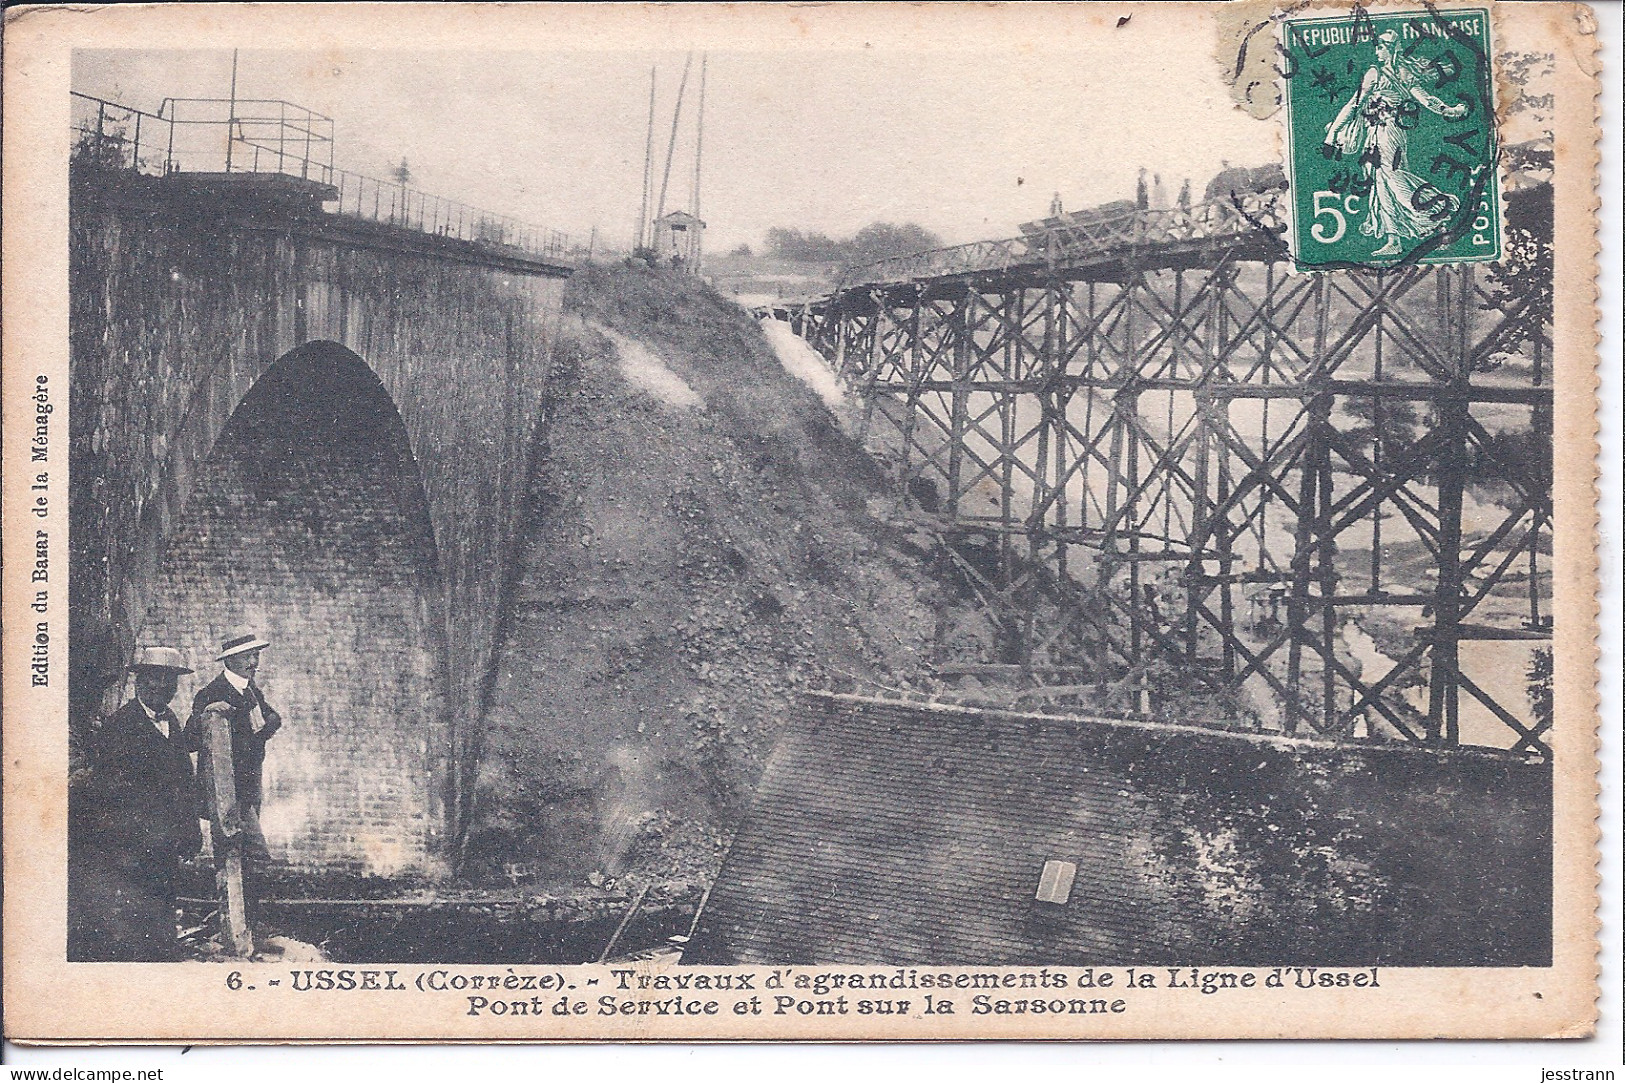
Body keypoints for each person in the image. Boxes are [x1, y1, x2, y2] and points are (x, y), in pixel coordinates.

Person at [81, 646, 202, 961]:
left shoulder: (171, 721)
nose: (163, 689)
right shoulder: (121, 727)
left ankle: (161, 959)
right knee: (134, 916)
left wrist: (190, 829)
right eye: (155, 681)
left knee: (163, 906)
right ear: (139, 683)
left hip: (165, 842)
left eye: (170, 683)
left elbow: (183, 781)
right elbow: (110, 792)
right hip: (132, 845)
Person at [1322, 29, 1471, 256]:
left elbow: (1424, 99)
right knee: (1381, 185)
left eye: (1381, 46)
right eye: (1377, 46)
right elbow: (1355, 104)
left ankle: (1438, 207)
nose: (1376, 51)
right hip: (1376, 135)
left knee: (1392, 177)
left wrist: (1450, 110)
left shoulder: (1388, 73)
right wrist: (1332, 134)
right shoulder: (1388, 73)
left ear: (1391, 49)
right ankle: (1394, 239)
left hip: (1389, 133)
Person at [191, 632, 283, 926]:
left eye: (256, 656)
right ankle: (238, 924)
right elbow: (191, 739)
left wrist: (266, 727)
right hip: (227, 792)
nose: (254, 662)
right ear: (229, 660)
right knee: (250, 856)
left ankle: (244, 924)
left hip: (249, 788)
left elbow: (270, 719)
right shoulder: (211, 692)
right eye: (247, 657)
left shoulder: (250, 690)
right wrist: (209, 716)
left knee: (243, 860)